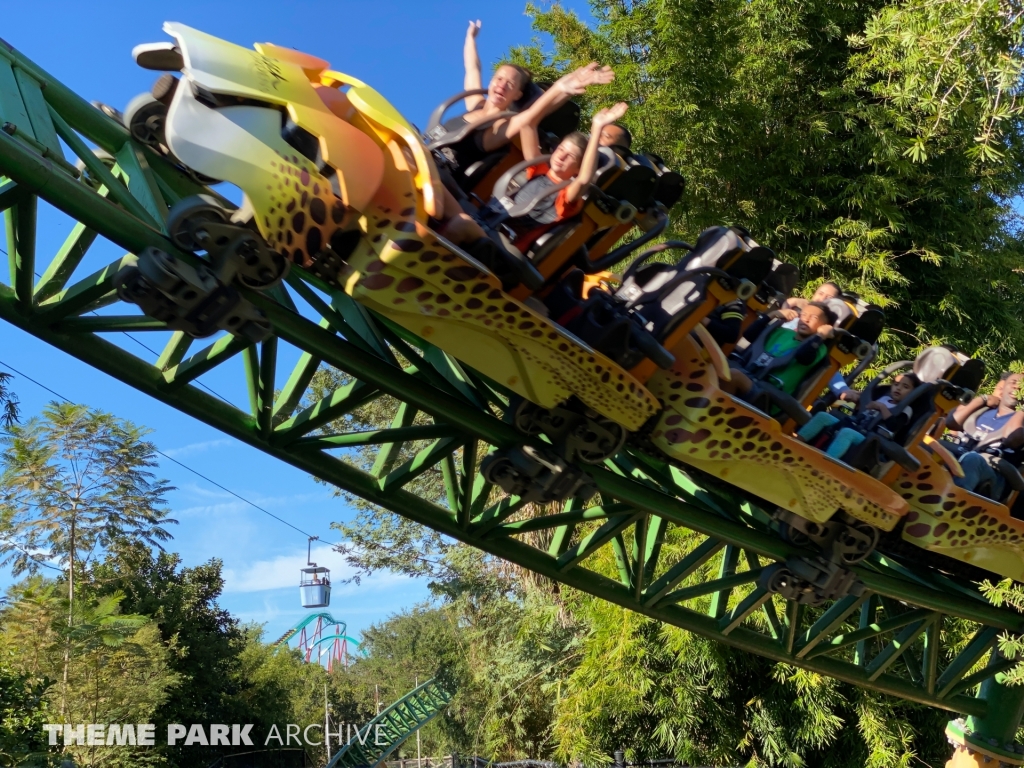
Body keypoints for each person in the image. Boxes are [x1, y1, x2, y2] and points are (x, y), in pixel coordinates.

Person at [481, 102, 630, 251]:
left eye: (570, 155)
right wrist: (559, 90)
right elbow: (528, 124)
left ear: (578, 168)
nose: (561, 156)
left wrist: (597, 128)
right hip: (487, 223)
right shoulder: (538, 168)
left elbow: (584, 179)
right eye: (561, 149)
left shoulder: (566, 196)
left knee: (462, 225)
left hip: (502, 245)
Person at [722, 301, 836, 397]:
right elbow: (749, 335)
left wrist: (821, 335)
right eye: (804, 314)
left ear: (825, 325)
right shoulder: (783, 332)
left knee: (733, 375)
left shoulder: (819, 349)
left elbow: (803, 356)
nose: (806, 319)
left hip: (768, 393)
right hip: (748, 375)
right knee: (717, 364)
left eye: (814, 317)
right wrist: (772, 315)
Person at [797, 373, 920, 459]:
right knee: (823, 416)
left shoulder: (906, 409)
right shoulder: (884, 398)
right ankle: (797, 443)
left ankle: (825, 460)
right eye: (896, 384)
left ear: (913, 393)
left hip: (872, 439)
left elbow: (893, 426)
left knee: (847, 433)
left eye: (905, 387)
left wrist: (881, 408)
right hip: (857, 425)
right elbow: (865, 409)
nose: (898, 388)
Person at [946, 371, 1024, 499]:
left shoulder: (1020, 421)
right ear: (1003, 387)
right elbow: (951, 423)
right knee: (926, 445)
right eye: (1013, 382)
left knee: (973, 459)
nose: (1017, 387)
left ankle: (951, 501)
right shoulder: (984, 410)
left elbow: (1011, 439)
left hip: (994, 476)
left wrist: (1022, 410)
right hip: (958, 458)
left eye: (1022, 386)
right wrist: (982, 399)